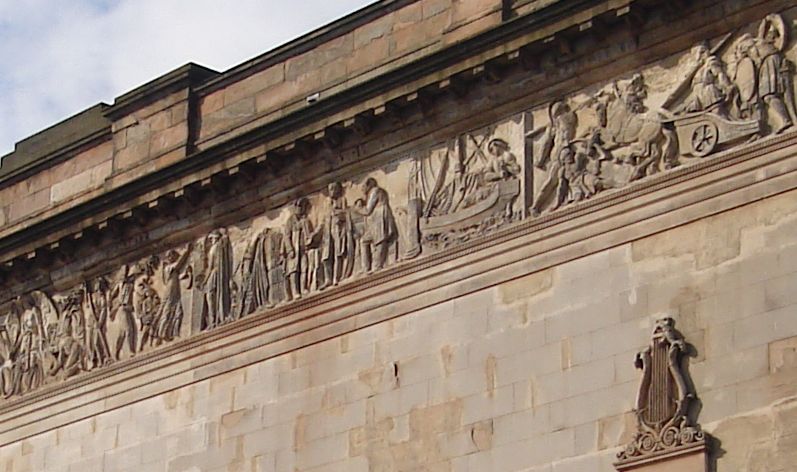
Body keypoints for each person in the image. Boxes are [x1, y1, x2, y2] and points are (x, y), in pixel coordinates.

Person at [355, 178, 396, 272]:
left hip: (379, 217)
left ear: (369, 185)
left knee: (380, 241)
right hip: (376, 218)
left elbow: (368, 210)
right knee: (364, 241)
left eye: (363, 187)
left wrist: (358, 209)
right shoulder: (374, 192)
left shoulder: (375, 191)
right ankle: (366, 267)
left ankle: (377, 265)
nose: (362, 190)